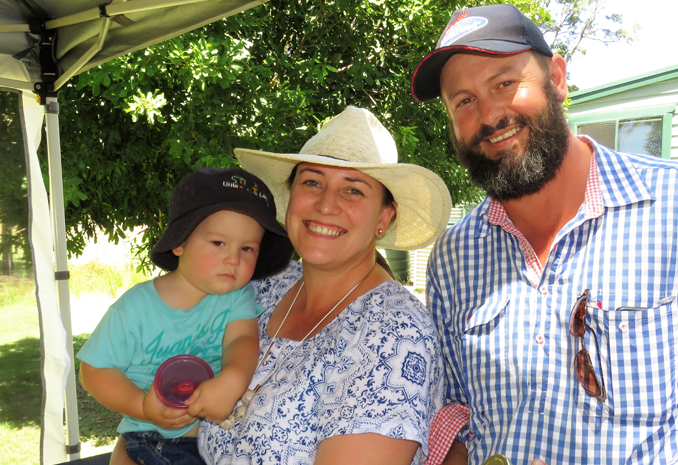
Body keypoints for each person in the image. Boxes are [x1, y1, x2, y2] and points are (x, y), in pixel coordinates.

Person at [411, 4, 678, 465]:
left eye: (505, 83)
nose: (490, 114)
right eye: (464, 101)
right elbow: (454, 407)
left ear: (556, 78)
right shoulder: (454, 257)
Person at [197, 106, 451, 464]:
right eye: (312, 182)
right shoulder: (261, 287)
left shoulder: (394, 335)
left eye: (353, 190)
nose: (326, 204)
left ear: (383, 217)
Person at [78, 168, 294, 464]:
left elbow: (241, 340)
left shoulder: (236, 296)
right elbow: (94, 372)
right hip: (156, 438)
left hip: (215, 438)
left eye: (247, 248)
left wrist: (232, 379)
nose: (234, 259)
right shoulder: (136, 307)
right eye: (219, 243)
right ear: (180, 243)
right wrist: (142, 406)